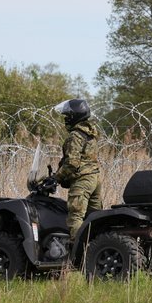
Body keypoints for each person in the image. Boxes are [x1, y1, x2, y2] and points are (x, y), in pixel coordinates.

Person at [53, 99, 102, 252]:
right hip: (95, 179)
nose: (66, 118)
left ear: (75, 116)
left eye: (68, 115)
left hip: (82, 180)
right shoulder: (90, 133)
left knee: (75, 216)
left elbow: (72, 164)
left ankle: (78, 254)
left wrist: (56, 178)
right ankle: (97, 248)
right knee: (95, 218)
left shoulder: (75, 136)